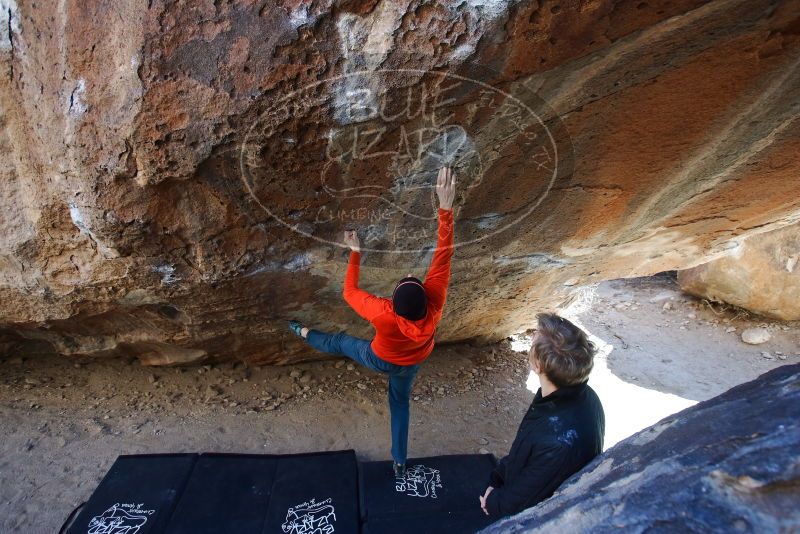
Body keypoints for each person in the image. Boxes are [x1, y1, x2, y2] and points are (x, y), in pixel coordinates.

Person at [289, 166, 457, 477]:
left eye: (405, 280)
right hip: (414, 359)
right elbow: (443, 255)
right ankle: (400, 461)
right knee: (400, 404)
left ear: (393, 302)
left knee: (340, 341)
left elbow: (349, 291)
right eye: (414, 279)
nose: (410, 274)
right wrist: (445, 208)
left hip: (379, 358)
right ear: (426, 295)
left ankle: (301, 331)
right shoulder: (435, 303)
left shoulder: (383, 312)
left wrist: (355, 252)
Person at [479, 313, 605, 517]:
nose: (531, 340)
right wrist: (500, 475)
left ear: (539, 366)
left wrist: (494, 502)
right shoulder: (582, 396)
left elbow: (528, 497)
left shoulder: (557, 441)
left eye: (533, 343)